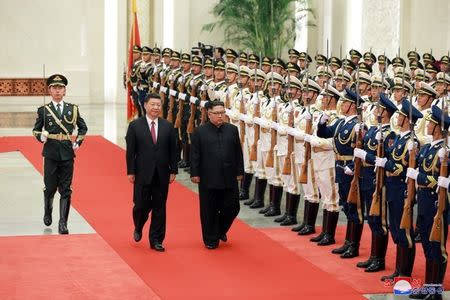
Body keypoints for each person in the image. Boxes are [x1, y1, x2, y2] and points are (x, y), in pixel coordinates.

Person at [32, 74, 88, 234]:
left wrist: (78, 141)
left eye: (60, 88)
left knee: (66, 188)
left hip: (67, 153)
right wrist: (40, 136)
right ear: (49, 90)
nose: (57, 91)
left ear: (65, 91)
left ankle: (63, 222)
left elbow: (83, 128)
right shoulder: (44, 111)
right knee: (49, 188)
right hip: (50, 152)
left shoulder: (73, 109)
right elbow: (35, 130)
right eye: (54, 88)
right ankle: (48, 211)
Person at [125, 93, 178, 252]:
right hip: (142, 173)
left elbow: (173, 150)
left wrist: (173, 169)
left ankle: (156, 239)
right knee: (140, 206)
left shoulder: (168, 126)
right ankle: (139, 225)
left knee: (160, 207)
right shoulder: (135, 126)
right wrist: (131, 171)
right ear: (146, 105)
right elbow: (130, 151)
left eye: (158, 105)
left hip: (162, 173)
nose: (156, 108)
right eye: (153, 104)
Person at [190, 101, 244, 249]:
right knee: (209, 209)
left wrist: (240, 171)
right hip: (208, 177)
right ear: (209, 114)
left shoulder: (232, 130)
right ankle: (210, 239)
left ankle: (220, 230)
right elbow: (195, 154)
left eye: (223, 112)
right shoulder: (200, 131)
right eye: (217, 113)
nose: (221, 116)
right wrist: (195, 172)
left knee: (233, 207)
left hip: (229, 176)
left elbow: (238, 152)